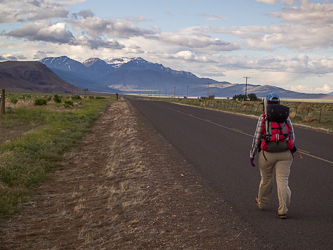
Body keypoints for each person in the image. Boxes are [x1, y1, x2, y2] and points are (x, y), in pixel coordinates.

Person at [250, 92, 296, 219]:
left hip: (267, 153)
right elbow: (292, 135)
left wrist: (252, 153)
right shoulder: (286, 117)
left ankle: (261, 202)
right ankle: (283, 210)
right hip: (285, 152)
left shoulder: (263, 117)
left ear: (267, 103)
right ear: (279, 102)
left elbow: (257, 137)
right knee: (282, 181)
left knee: (266, 179)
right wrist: (291, 149)